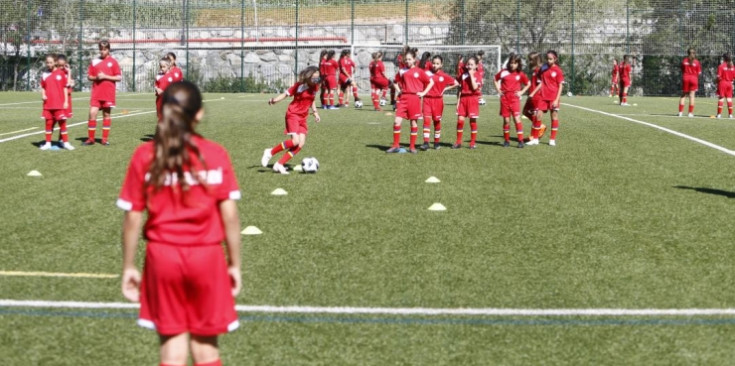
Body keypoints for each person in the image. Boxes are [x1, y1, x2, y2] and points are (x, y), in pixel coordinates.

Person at [118, 80, 242, 366]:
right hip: (207, 257)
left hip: (162, 259)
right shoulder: (214, 153)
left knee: (172, 352)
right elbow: (230, 215)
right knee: (206, 351)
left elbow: (133, 216)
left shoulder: (144, 155)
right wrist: (234, 264)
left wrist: (128, 267)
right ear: (198, 114)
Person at [261, 66, 322, 174]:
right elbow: (285, 94)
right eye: (314, 78)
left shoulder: (316, 87)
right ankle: (270, 152)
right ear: (308, 77)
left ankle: (279, 164)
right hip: (292, 115)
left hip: (303, 118)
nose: (316, 80)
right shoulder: (299, 86)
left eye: (317, 78)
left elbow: (312, 99)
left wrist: (315, 112)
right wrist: (274, 100)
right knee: (295, 141)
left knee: (300, 144)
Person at [386, 48, 434, 154]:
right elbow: (394, 81)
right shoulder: (402, 71)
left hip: (415, 99)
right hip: (403, 99)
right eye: (406, 59)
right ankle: (395, 145)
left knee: (413, 123)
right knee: (397, 121)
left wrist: (423, 93)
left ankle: (412, 147)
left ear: (414, 60)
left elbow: (430, 82)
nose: (407, 61)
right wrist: (399, 91)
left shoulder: (420, 72)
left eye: (409, 59)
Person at [84, 40, 121, 146]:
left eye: (105, 49)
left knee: (106, 115)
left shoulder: (113, 62)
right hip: (96, 93)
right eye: (101, 49)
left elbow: (118, 77)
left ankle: (104, 139)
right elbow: (89, 76)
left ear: (108, 49)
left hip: (108, 93)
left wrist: (105, 76)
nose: (102, 51)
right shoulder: (95, 61)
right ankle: (91, 139)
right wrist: (96, 77)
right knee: (92, 113)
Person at [420, 55, 459, 150]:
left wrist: (445, 88)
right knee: (426, 120)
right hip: (427, 100)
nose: (434, 65)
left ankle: (436, 143)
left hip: (438, 101)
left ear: (441, 65)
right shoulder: (426, 73)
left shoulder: (444, 76)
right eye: (433, 63)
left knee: (436, 121)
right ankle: (426, 143)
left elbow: (456, 83)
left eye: (437, 63)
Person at [527, 50, 564, 146]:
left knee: (554, 116)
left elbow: (560, 86)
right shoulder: (543, 68)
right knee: (538, 116)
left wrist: (556, 99)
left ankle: (552, 139)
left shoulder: (558, 71)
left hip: (553, 97)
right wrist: (533, 93)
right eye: (547, 59)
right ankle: (535, 139)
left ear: (555, 59)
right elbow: (541, 83)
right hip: (543, 96)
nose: (548, 60)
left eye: (551, 59)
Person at [493, 54, 530, 148]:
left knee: (517, 118)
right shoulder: (503, 72)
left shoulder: (520, 74)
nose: (512, 65)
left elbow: (528, 83)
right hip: (505, 98)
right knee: (506, 120)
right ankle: (506, 140)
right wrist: (498, 90)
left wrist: (521, 92)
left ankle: (520, 141)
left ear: (518, 64)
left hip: (514, 99)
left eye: (515, 63)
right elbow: (495, 79)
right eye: (511, 63)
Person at [39, 54, 71, 150]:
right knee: (48, 123)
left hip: (59, 104)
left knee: (62, 123)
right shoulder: (45, 74)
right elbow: (43, 87)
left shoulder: (60, 73)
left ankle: (66, 143)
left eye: (51, 62)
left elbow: (65, 88)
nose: (48, 64)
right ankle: (48, 143)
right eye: (47, 62)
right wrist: (43, 95)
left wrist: (65, 101)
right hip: (48, 104)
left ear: (55, 62)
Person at [453, 56, 482, 149]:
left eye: (471, 64)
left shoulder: (477, 75)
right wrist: (458, 102)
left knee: (472, 121)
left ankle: (472, 143)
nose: (469, 66)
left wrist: (472, 75)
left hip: (472, 99)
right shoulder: (463, 75)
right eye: (468, 64)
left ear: (476, 66)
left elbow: (474, 87)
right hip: (463, 100)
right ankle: (458, 142)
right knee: (460, 121)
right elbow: (460, 89)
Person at [523, 52, 546, 142]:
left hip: (537, 96)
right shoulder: (535, 69)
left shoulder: (539, 70)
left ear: (536, 60)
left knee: (535, 115)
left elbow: (541, 83)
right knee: (525, 111)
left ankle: (533, 136)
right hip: (532, 95)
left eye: (531, 59)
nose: (529, 61)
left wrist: (532, 93)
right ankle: (540, 127)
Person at [678, 48, 701, 117]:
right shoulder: (697, 62)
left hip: (686, 78)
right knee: (692, 96)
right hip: (694, 79)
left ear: (687, 53)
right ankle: (690, 113)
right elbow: (699, 73)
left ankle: (680, 113)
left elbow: (682, 69)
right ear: (694, 53)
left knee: (683, 95)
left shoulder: (684, 61)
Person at [155, 58, 175, 122]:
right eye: (161, 67)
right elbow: (156, 85)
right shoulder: (158, 76)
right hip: (159, 99)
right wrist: (157, 89)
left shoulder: (172, 76)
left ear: (168, 66)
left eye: (164, 67)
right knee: (160, 116)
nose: (162, 68)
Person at [716, 52, 735, 119]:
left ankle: (719, 115)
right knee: (729, 99)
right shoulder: (732, 66)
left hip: (722, 83)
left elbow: (718, 77)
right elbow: (734, 77)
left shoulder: (721, 66)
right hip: (729, 84)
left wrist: (717, 83)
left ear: (724, 58)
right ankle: (730, 115)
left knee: (721, 99)